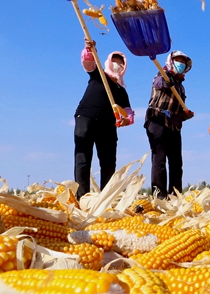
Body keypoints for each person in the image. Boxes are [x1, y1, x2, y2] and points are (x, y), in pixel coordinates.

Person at [74, 39, 135, 198]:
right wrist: (89, 49)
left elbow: (128, 112)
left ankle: (106, 197)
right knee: (83, 159)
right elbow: (88, 63)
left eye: (121, 63)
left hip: (108, 125)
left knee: (108, 163)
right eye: (115, 61)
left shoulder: (121, 90)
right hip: (86, 117)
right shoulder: (99, 74)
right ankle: (82, 197)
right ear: (109, 62)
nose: (117, 65)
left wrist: (126, 120)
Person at [145, 50, 193, 197]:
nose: (181, 64)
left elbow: (178, 112)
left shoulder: (181, 87)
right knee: (159, 160)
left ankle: (175, 196)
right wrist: (166, 82)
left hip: (173, 125)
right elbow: (158, 83)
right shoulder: (162, 75)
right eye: (178, 61)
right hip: (157, 120)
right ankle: (159, 196)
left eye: (183, 62)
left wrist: (185, 115)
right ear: (171, 61)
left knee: (176, 163)